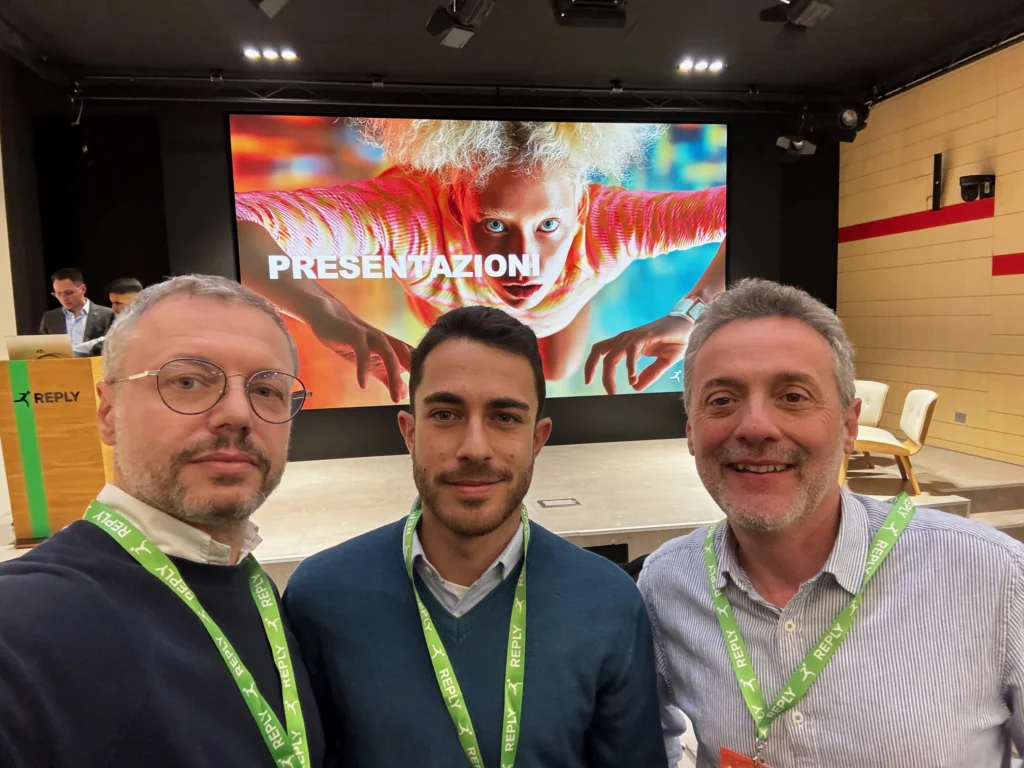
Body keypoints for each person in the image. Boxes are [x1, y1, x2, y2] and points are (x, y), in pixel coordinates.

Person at [637, 278, 1024, 767]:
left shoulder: (995, 576)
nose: (755, 426)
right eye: (722, 400)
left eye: (794, 396)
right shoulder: (666, 584)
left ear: (848, 426)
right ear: (692, 432)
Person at [283, 305, 666, 767]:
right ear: (410, 432)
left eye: (505, 418)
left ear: (537, 439)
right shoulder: (321, 596)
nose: (474, 449)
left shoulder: (609, 603)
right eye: (446, 414)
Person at [0, 275, 325, 768]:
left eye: (266, 388)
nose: (238, 413)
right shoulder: (28, 622)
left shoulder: (265, 597)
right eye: (188, 382)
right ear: (108, 413)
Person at [237, 119, 726, 402]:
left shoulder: (612, 222)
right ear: (454, 208)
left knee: (556, 370)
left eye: (548, 226)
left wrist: (693, 313)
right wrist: (326, 311)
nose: (523, 262)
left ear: (579, 211)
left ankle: (578, 302)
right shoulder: (408, 218)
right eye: (494, 225)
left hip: (561, 310)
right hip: (452, 307)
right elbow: (236, 220)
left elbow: (740, 209)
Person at [39, 267, 115, 354]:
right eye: (58, 294)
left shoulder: (107, 314)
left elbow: (113, 345)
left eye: (68, 293)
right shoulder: (50, 318)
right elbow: (42, 349)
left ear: (83, 289)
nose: (63, 298)